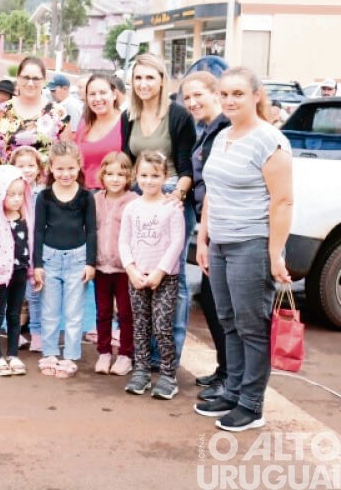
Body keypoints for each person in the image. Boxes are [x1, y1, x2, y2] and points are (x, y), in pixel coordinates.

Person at [195, 67, 293, 433]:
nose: (230, 101)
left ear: (256, 95)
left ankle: (252, 405)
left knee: (252, 326)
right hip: (220, 243)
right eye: (224, 94)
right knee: (229, 322)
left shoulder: (270, 141)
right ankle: (233, 390)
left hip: (251, 243)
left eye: (238, 93)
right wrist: (203, 240)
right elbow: (212, 192)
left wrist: (275, 253)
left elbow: (283, 201)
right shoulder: (223, 137)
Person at [121, 53, 196, 365]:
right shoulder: (129, 116)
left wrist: (177, 196)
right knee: (142, 275)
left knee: (171, 278)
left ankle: (166, 356)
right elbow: (126, 159)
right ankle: (143, 354)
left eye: (150, 77)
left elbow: (188, 165)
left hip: (171, 199)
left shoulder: (178, 116)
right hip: (140, 198)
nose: (143, 84)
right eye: (138, 78)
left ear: (162, 80)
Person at [120, 151, 185, 399]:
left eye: (155, 176)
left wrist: (160, 272)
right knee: (140, 325)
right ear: (136, 176)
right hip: (137, 276)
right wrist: (131, 269)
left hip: (164, 278)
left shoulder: (171, 208)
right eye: (144, 175)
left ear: (165, 177)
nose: (149, 181)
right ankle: (141, 371)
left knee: (161, 327)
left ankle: (168, 375)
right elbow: (124, 241)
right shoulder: (132, 208)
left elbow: (177, 242)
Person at [182, 71, 231, 401]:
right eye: (187, 98)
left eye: (198, 94)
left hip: (222, 228)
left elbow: (217, 186)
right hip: (208, 226)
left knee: (221, 305)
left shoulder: (225, 130)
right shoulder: (207, 130)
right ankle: (224, 369)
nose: (193, 102)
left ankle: (231, 377)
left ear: (216, 92)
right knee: (214, 303)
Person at [33, 142, 95, 379]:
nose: (65, 174)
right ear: (51, 168)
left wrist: (90, 262)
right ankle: (49, 352)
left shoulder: (86, 197)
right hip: (50, 258)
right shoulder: (45, 197)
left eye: (70, 168)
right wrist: (37, 265)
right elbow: (38, 231)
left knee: (73, 311)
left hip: (78, 259)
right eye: (60, 169)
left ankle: (70, 355)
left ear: (79, 166)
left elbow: (91, 231)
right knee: (49, 310)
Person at [0, 164, 34, 377]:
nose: (16, 199)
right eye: (11, 194)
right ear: (1, 193)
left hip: (20, 274)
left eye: (20, 194)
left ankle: (13, 354)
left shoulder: (25, 221)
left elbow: (29, 248)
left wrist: (31, 272)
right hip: (0, 279)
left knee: (14, 315)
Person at [93, 152, 136, 376]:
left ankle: (126, 354)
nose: (115, 179)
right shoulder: (96, 200)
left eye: (121, 174)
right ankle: (104, 351)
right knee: (103, 312)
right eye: (110, 174)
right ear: (103, 175)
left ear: (129, 176)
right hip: (101, 266)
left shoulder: (134, 201)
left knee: (127, 313)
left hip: (125, 268)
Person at [0, 56, 70, 167]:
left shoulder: (58, 113)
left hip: (44, 183)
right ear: (18, 78)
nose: (30, 83)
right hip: (7, 182)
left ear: (44, 81)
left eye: (36, 79)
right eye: (26, 77)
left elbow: (66, 159)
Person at [9, 145, 45, 352]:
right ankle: (12, 331)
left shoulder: (42, 193)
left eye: (31, 165)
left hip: (35, 251)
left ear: (39, 168)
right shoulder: (12, 192)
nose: (27, 170)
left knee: (34, 295)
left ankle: (37, 333)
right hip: (14, 252)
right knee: (12, 295)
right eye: (21, 165)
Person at [74, 74, 123, 190]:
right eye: (92, 94)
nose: (97, 98)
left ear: (114, 95)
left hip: (113, 195)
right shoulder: (84, 123)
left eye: (102, 93)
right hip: (83, 193)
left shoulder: (125, 123)